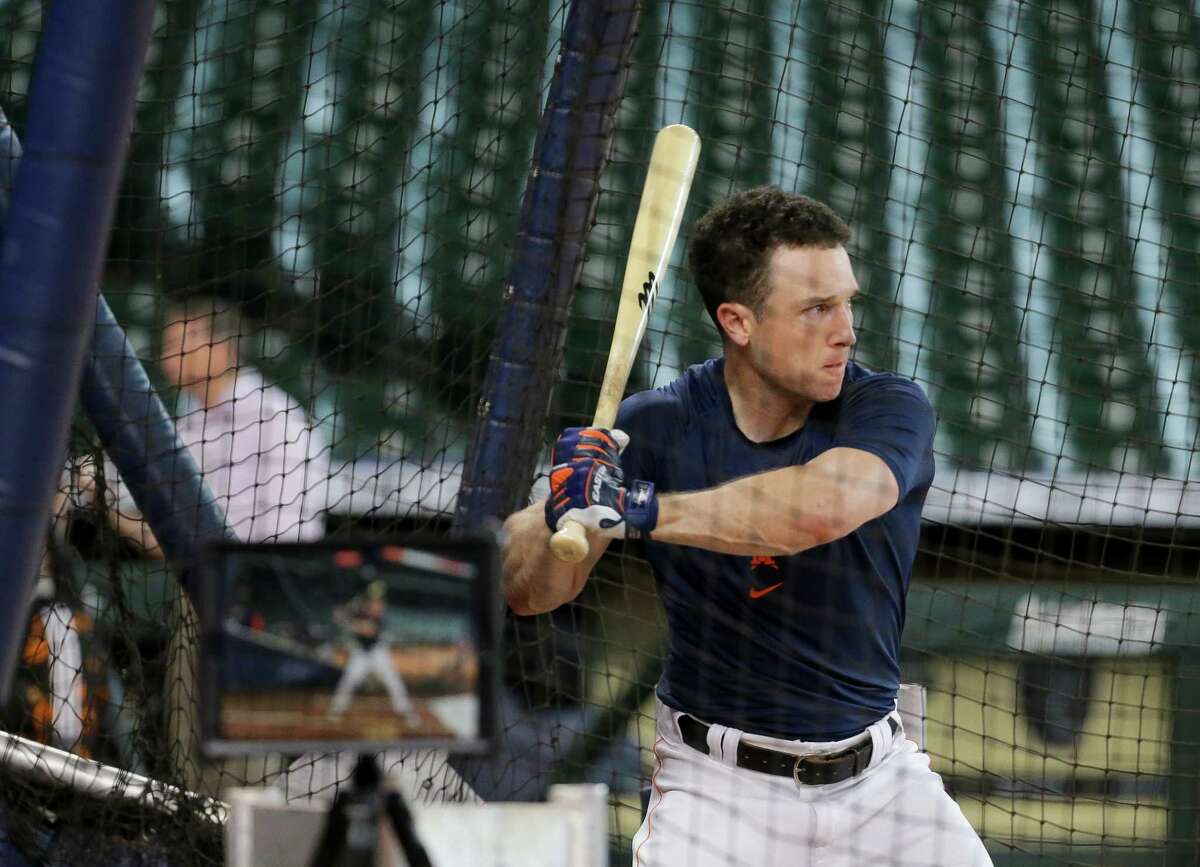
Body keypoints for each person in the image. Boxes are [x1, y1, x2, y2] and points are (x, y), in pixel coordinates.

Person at [502, 187, 991, 866]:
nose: (846, 328)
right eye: (818, 308)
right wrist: (561, 501)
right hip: (716, 789)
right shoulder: (656, 425)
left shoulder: (885, 407)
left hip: (880, 780)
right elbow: (532, 589)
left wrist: (639, 506)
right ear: (738, 321)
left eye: (847, 302)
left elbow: (819, 507)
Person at [98, 293, 329, 553]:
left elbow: (286, 536)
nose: (166, 359)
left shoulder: (277, 418)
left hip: (267, 577)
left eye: (177, 346)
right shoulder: (192, 422)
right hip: (208, 576)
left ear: (223, 347)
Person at [328, 578, 421, 724]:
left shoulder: (379, 613)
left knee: (394, 682)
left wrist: (347, 621)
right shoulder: (359, 606)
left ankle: (405, 712)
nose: (377, 605)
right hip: (360, 653)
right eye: (374, 600)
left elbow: (368, 630)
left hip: (377, 652)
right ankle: (336, 710)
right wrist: (344, 613)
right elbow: (338, 615)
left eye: (378, 601)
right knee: (348, 682)